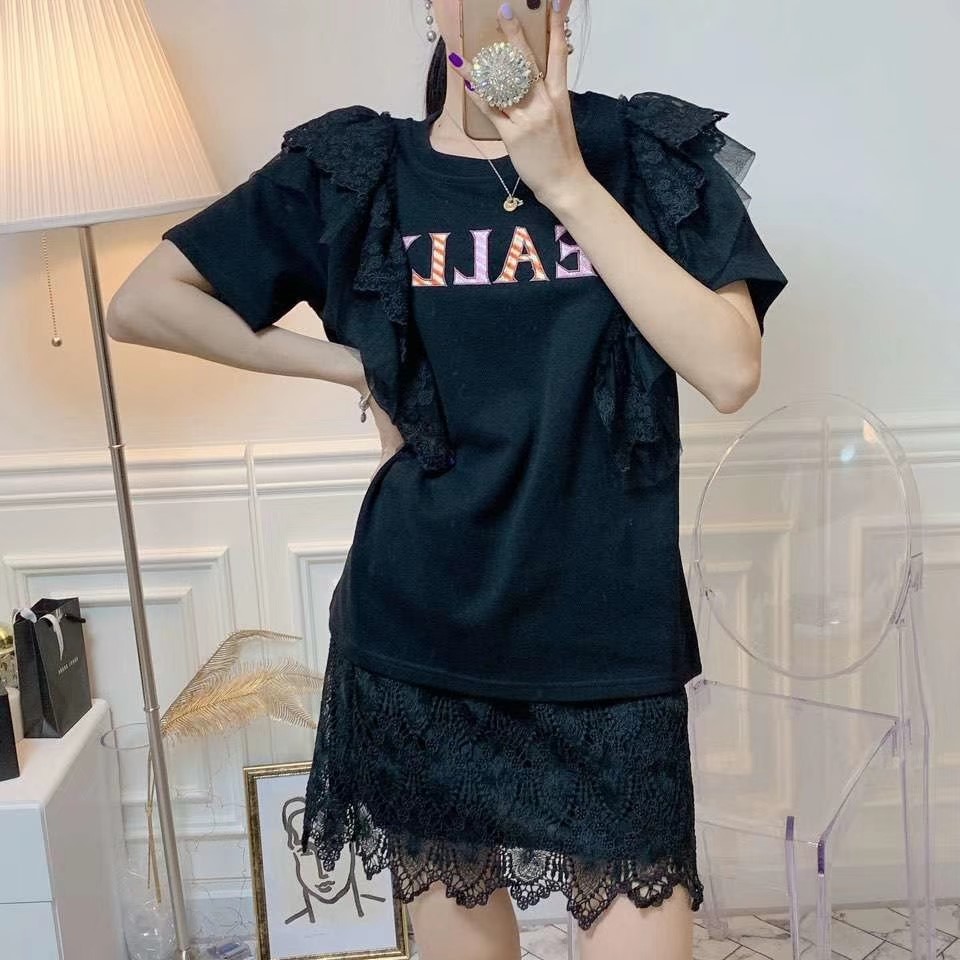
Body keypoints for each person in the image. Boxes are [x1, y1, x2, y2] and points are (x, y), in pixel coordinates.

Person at [107, 1, 788, 957]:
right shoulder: (360, 172)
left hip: (607, 640)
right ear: (433, 5)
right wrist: (353, 365)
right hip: (421, 635)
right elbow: (143, 302)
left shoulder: (646, 152)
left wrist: (564, 182)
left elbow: (730, 369)